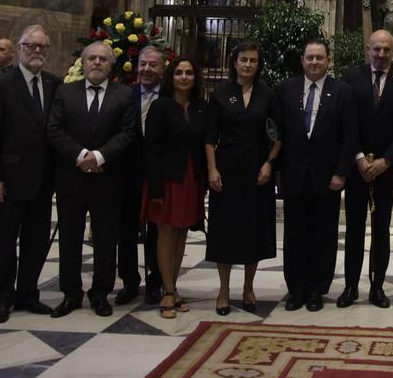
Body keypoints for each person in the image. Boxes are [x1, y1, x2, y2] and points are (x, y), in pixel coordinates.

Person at [46, 41, 140, 317]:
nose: (97, 63)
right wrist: (82, 155)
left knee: (106, 240)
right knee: (70, 239)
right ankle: (71, 294)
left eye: (102, 59)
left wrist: (100, 157)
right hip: (71, 178)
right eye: (92, 58)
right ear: (83, 63)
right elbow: (54, 129)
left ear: (111, 65)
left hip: (107, 179)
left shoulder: (124, 95)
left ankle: (100, 293)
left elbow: (128, 132)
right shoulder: (65, 92)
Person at [0, 24, 60, 323]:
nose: (37, 51)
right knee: (2, 242)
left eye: (42, 47)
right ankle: (1, 297)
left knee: (36, 242)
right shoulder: (0, 84)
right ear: (20, 48)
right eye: (31, 46)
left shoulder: (54, 83)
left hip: (42, 180)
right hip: (7, 181)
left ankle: (28, 294)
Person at [274, 38, 357, 312]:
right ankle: (296, 289)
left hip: (327, 177)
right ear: (302, 60)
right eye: (310, 57)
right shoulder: (286, 89)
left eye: (319, 58)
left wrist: (341, 172)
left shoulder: (342, 92)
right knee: (294, 234)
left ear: (328, 61)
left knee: (324, 235)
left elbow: (349, 136)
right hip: (294, 175)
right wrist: (277, 171)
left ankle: (317, 290)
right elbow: (277, 134)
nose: (314, 62)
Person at [338, 30, 393, 309]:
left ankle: (377, 286)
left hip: (386, 170)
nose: (381, 55)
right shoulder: (351, 77)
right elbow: (346, 122)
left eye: (386, 50)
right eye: (376, 50)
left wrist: (385, 161)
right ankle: (350, 287)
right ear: (368, 49)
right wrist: (359, 157)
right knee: (354, 229)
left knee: (381, 229)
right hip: (357, 169)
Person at [205, 41, 280, 315]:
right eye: (243, 60)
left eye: (253, 60)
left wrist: (269, 164)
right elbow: (209, 138)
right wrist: (212, 169)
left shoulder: (267, 95)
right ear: (234, 63)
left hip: (258, 172)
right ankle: (224, 291)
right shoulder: (221, 95)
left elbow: (276, 134)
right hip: (226, 171)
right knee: (225, 232)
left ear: (258, 65)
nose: (248, 64)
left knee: (253, 232)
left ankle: (248, 287)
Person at [144, 55, 207, 319]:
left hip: (191, 178)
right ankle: (167, 290)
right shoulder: (161, 106)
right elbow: (151, 148)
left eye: (189, 73)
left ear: (195, 78)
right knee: (165, 233)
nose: (184, 77)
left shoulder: (199, 107)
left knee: (182, 233)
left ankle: (174, 285)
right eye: (179, 73)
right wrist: (155, 187)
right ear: (171, 77)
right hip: (167, 179)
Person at [117, 48, 163, 306]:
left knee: (156, 230)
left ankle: (155, 281)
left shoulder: (168, 96)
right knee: (126, 229)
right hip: (128, 172)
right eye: (143, 64)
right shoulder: (125, 94)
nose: (146, 69)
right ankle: (129, 281)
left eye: (152, 65)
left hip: (158, 175)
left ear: (162, 68)